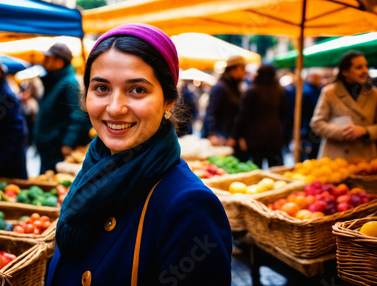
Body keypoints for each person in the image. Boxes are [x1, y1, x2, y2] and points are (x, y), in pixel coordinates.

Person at [47, 23, 232, 286]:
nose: (115, 108)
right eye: (101, 88)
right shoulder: (91, 174)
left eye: (137, 90)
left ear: (168, 100)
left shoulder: (189, 207)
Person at [34, 43, 91, 173]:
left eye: (47, 58)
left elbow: (77, 115)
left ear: (59, 62)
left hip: (56, 148)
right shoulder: (55, 81)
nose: (43, 62)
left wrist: (67, 143)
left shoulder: (69, 83)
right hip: (49, 147)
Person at [311, 51, 377, 160]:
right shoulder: (329, 93)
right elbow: (317, 124)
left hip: (366, 158)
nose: (365, 70)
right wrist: (341, 132)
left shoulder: (374, 94)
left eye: (366, 66)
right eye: (359, 67)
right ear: (345, 71)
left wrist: (365, 131)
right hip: (336, 157)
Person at [231, 65, 287, 168]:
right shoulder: (279, 91)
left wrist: (236, 136)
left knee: (256, 170)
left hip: (255, 137)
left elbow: (242, 116)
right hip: (275, 135)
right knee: (276, 169)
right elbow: (284, 114)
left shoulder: (252, 91)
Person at [201, 55, 248, 160]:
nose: (245, 72)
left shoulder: (235, 87)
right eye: (242, 68)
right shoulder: (220, 87)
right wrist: (211, 134)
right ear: (233, 69)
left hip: (229, 138)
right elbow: (211, 111)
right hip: (220, 138)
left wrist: (236, 136)